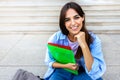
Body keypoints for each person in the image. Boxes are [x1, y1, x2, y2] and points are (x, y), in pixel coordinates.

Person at [44, 2, 106, 80]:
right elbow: (49, 61)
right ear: (64, 23)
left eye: (76, 17)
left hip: (85, 72)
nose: (73, 23)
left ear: (82, 17)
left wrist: (83, 45)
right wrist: (66, 66)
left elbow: (93, 70)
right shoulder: (55, 38)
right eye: (67, 20)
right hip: (63, 70)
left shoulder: (94, 40)